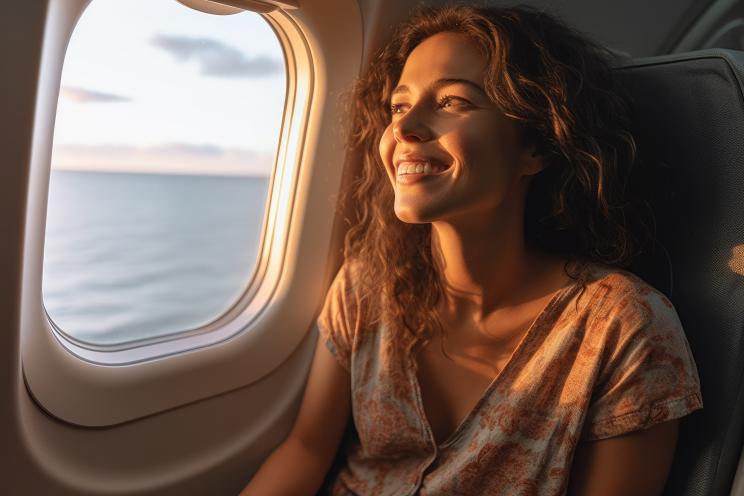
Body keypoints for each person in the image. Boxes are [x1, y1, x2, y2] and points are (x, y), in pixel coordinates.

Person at [240, 4, 703, 495]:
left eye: (453, 102)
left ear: (537, 146)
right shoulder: (367, 283)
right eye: (399, 106)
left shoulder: (622, 327)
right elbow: (306, 449)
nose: (404, 128)